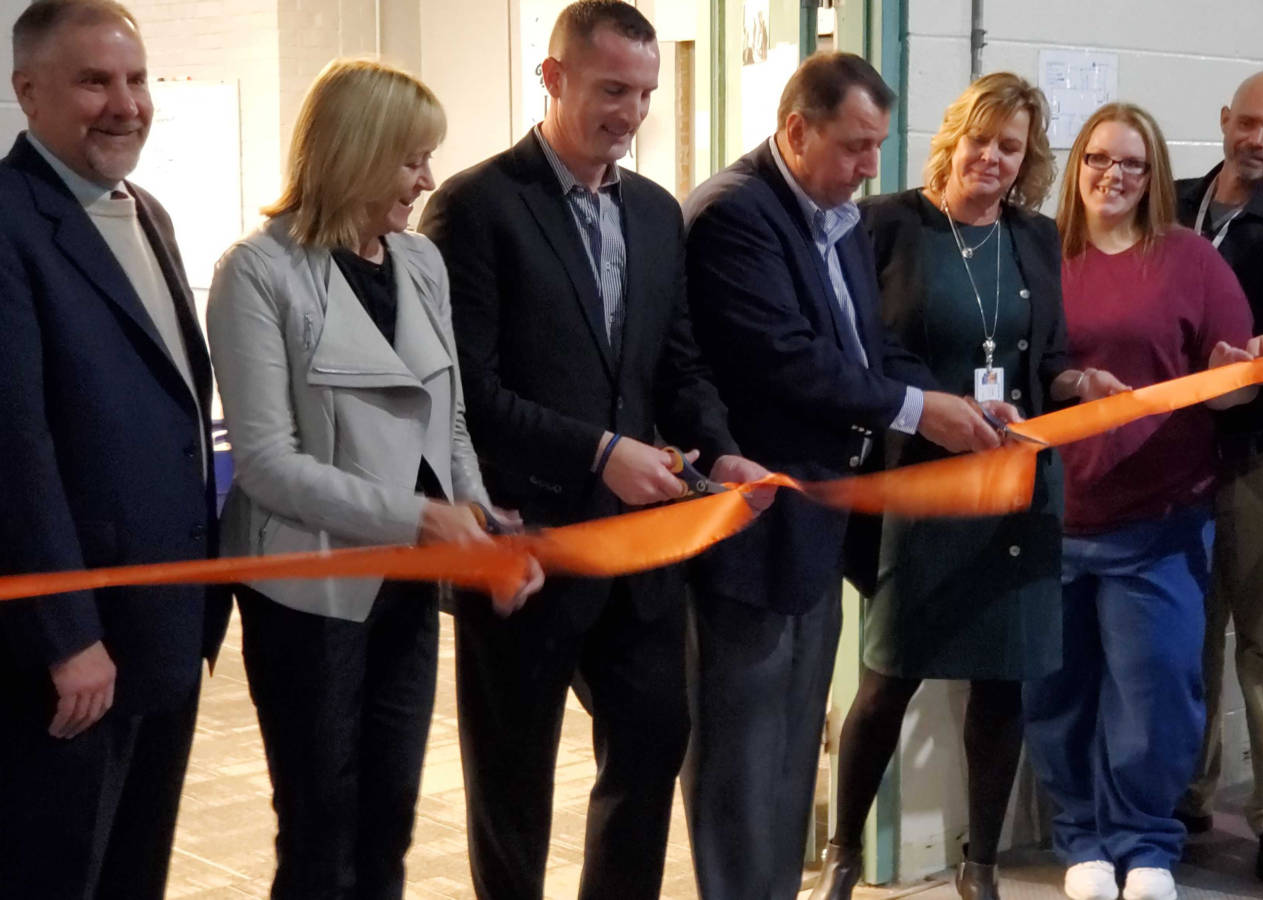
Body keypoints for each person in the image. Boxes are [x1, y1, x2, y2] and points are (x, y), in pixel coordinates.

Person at [418, 3, 769, 898]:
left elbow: (677, 363)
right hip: (525, 537)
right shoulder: (476, 205)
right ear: (554, 77)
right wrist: (600, 449)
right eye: (612, 89)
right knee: (513, 776)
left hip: (638, 545)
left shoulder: (655, 212)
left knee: (652, 741)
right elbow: (468, 395)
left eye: (645, 93)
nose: (632, 113)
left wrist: (722, 453)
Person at [205, 58, 542, 898]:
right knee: (321, 825)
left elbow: (449, 414)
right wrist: (420, 518)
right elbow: (269, 465)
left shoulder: (420, 262)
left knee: (390, 817)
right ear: (353, 153)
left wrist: (475, 519)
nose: (427, 179)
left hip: (406, 586)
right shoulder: (257, 272)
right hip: (310, 590)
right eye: (410, 159)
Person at [681, 52, 1007, 900]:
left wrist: (957, 404)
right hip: (752, 523)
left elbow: (873, 350)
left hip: (819, 523)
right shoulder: (734, 215)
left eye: (878, 146)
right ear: (797, 130)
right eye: (857, 147)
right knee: (739, 755)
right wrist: (916, 411)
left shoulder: (841, 222)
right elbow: (787, 362)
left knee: (793, 750)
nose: (872, 168)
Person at [811, 72, 1119, 900]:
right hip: (920, 478)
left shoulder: (1036, 237)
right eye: (981, 139)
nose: (992, 157)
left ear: (1028, 160)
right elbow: (864, 351)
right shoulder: (889, 225)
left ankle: (978, 862)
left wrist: (1079, 384)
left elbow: (1046, 359)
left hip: (1016, 484)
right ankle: (843, 854)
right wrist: (938, 411)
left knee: (1004, 682)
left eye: (1010, 147)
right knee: (888, 675)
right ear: (956, 137)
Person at [0, 1, 230, 895]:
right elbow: (14, 449)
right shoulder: (11, 223)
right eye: (95, 81)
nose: (125, 103)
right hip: (73, 650)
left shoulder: (148, 213)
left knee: (136, 868)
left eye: (136, 80)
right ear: (28, 91)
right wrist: (67, 635)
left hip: (161, 627)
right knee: (56, 871)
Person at [1019, 102, 1262, 900]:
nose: (1112, 176)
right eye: (1097, 159)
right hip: (1050, 517)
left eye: (1130, 163)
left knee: (1155, 696)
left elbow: (1230, 394)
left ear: (1153, 174)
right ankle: (1082, 839)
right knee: (1058, 694)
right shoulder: (1037, 252)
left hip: (1159, 521)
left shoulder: (1190, 261)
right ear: (1074, 165)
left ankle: (1146, 843)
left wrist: (1234, 372)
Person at [1171, 69, 1263, 884]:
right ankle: (1191, 793)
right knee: (1190, 638)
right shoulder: (1173, 202)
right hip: (1175, 458)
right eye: (1249, 124)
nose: (1257, 141)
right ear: (1225, 118)